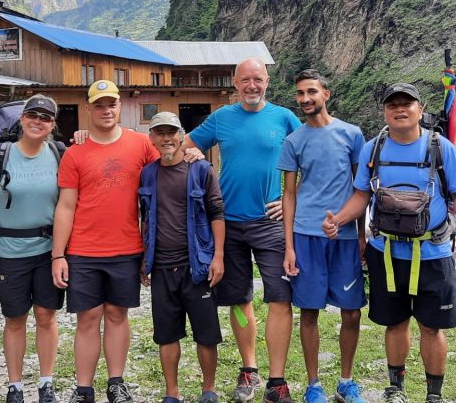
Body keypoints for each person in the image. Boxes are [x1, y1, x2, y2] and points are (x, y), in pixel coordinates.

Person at [322, 83, 456, 403]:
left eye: (407, 103)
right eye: (393, 104)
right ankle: (396, 389)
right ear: (385, 111)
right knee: (396, 322)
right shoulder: (373, 148)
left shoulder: (441, 147)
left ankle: (434, 394)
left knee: (432, 327)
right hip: (387, 252)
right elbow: (362, 195)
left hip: (432, 251)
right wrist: (338, 219)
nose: (400, 109)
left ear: (420, 110)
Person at [182, 57, 302, 403]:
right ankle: (249, 369)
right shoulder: (221, 118)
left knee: (280, 297)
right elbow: (188, 144)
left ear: (267, 82)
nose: (253, 86)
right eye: (246, 80)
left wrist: (294, 200)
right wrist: (198, 159)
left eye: (259, 80)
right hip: (228, 223)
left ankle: (277, 380)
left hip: (271, 222)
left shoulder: (283, 117)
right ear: (235, 83)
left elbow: (312, 155)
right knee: (238, 299)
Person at [51, 80, 160, 403]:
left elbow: (168, 168)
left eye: (111, 104)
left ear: (120, 105)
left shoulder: (141, 145)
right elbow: (66, 206)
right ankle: (84, 388)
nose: (106, 110)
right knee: (88, 317)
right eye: (99, 105)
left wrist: (192, 151)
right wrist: (59, 255)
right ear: (89, 108)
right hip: (83, 250)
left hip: (127, 248)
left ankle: (116, 382)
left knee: (117, 315)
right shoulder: (75, 153)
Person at [278, 70, 367, 403]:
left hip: (344, 238)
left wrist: (360, 234)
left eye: (311, 92)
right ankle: (313, 384)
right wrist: (288, 246)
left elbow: (362, 188)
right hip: (306, 235)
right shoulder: (294, 141)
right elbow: (288, 194)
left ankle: (346, 380)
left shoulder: (352, 134)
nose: (305, 99)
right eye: (300, 94)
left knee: (352, 311)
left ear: (326, 94)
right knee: (309, 310)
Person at [0, 95, 64, 403]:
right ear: (22, 119)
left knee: (46, 315)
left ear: (52, 125)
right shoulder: (1, 155)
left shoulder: (58, 154)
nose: (38, 121)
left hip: (48, 250)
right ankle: (15, 385)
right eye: (33, 115)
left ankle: (46, 382)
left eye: (46, 117)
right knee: (15, 318)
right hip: (9, 250)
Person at [139, 111, 226, 403]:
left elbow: (216, 212)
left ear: (181, 135)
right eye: (159, 133)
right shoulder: (148, 173)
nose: (166, 138)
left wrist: (218, 257)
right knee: (166, 334)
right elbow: (145, 218)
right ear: (152, 138)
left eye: (171, 132)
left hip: (197, 265)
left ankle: (208, 389)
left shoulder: (200, 170)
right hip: (162, 267)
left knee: (206, 333)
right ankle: (171, 393)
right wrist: (144, 258)